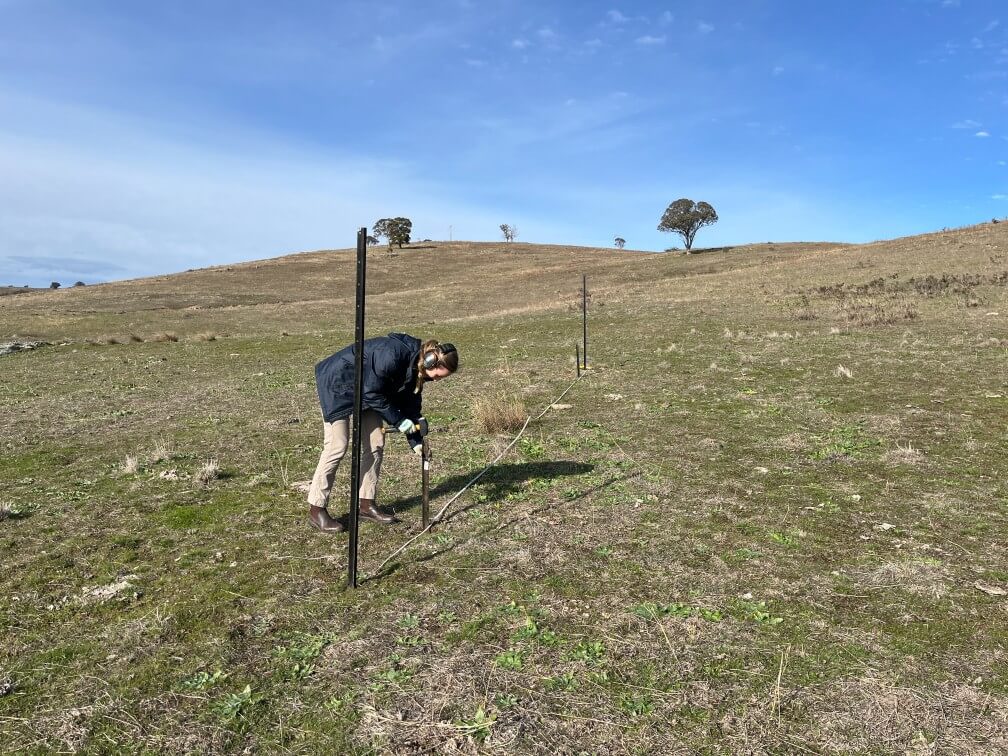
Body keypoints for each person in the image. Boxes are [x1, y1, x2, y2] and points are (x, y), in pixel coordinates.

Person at [306, 333, 459, 533]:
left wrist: (415, 440)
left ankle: (366, 505)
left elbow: (410, 406)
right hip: (339, 384)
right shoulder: (392, 355)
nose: (437, 380)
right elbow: (372, 393)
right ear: (431, 361)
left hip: (370, 391)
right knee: (337, 445)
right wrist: (398, 421)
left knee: (376, 442)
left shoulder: (418, 369)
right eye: (439, 375)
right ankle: (316, 509)